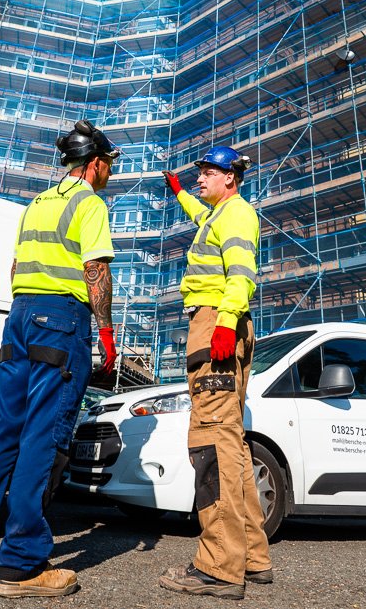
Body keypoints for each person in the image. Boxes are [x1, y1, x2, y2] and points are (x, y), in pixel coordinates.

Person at [0, 119, 119, 599]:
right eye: (109, 167)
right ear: (95, 163)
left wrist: (27, 310)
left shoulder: (36, 204)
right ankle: (22, 565)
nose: (109, 176)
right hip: (61, 319)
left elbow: (16, 267)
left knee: (1, 430)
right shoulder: (89, 202)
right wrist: (104, 330)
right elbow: (95, 268)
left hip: (19, 317)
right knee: (42, 436)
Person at [158, 145, 271, 601]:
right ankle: (253, 558)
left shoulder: (238, 215)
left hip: (215, 322)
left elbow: (241, 273)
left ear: (231, 177)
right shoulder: (218, 214)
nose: (200, 178)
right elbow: (200, 215)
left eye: (207, 173)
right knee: (233, 445)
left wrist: (224, 322)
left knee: (211, 441)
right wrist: (180, 192)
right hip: (218, 320)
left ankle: (219, 568)